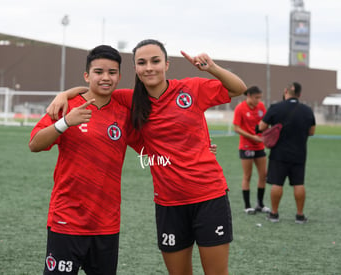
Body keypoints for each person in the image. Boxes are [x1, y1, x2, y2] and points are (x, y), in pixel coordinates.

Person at [47, 39, 247, 275]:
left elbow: (238, 89)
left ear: (166, 64)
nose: (149, 67)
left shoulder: (191, 89)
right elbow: (97, 88)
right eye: (142, 63)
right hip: (168, 203)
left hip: (208, 196)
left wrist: (211, 68)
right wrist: (64, 94)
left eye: (155, 61)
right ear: (136, 69)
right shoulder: (129, 99)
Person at [29, 45, 140, 275]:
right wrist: (65, 122)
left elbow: (148, 151)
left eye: (112, 72)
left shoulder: (124, 112)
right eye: (99, 72)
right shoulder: (66, 106)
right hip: (67, 219)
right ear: (87, 76)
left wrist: (193, 152)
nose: (106, 77)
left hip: (106, 224)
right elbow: (35, 144)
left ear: (119, 76)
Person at [258, 82, 315, 224]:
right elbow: (312, 132)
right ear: (300, 94)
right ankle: (300, 216)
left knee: (277, 183)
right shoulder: (308, 110)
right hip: (299, 153)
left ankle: (274, 214)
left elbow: (261, 127)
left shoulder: (276, 108)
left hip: (279, 153)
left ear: (285, 91)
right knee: (299, 184)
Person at [233, 86, 270, 215]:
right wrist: (252, 137)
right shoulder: (240, 108)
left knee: (263, 175)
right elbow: (236, 128)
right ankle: (247, 206)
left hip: (259, 146)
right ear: (248, 95)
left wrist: (266, 134)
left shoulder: (261, 107)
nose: (259, 100)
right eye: (256, 97)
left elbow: (265, 124)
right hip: (246, 146)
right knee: (247, 176)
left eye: (260, 97)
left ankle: (260, 204)